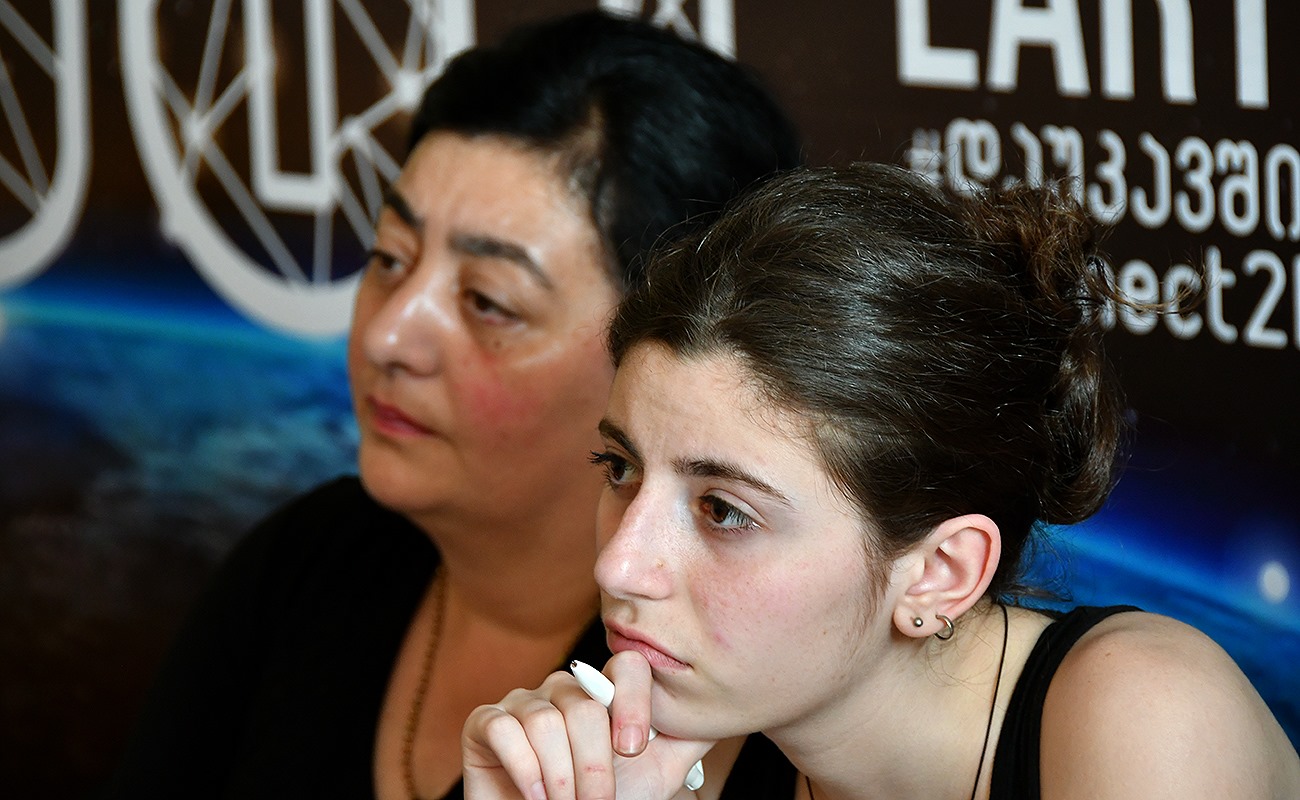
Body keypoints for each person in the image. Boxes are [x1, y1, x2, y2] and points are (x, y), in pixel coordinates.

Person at [100, 11, 801, 800]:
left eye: (487, 301)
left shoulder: (736, 701)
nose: (388, 336)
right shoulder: (310, 562)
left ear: (667, 349)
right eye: (388, 259)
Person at [461, 163, 1300, 800]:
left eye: (724, 510)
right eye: (619, 468)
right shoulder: (678, 746)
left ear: (939, 572)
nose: (617, 564)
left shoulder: (1150, 722)